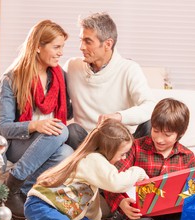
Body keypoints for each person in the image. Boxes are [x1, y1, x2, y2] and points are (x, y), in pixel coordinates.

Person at [21, 119, 149, 220]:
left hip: (62, 211)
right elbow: (116, 183)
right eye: (122, 154)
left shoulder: (96, 163)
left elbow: (91, 200)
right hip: (42, 206)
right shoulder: (93, 159)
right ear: (109, 149)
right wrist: (138, 171)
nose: (124, 158)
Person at [0, 20, 73, 220]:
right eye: (56, 47)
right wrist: (34, 125)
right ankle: (13, 185)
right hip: (18, 144)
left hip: (46, 143)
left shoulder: (59, 76)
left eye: (62, 48)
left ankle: (15, 189)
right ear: (38, 47)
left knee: (67, 153)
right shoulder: (12, 78)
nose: (60, 53)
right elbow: (3, 127)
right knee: (62, 132)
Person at [103, 98, 195, 220]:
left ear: (180, 134)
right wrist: (121, 202)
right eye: (155, 131)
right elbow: (113, 179)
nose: (159, 139)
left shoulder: (187, 157)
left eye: (167, 135)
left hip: (174, 215)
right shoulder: (135, 147)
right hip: (142, 217)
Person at [63, 12, 156, 150]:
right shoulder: (72, 66)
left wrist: (119, 116)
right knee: (72, 130)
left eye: (88, 41)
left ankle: (123, 163)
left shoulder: (129, 69)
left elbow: (150, 106)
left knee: (149, 124)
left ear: (107, 44)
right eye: (81, 40)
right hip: (88, 143)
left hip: (122, 143)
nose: (81, 47)